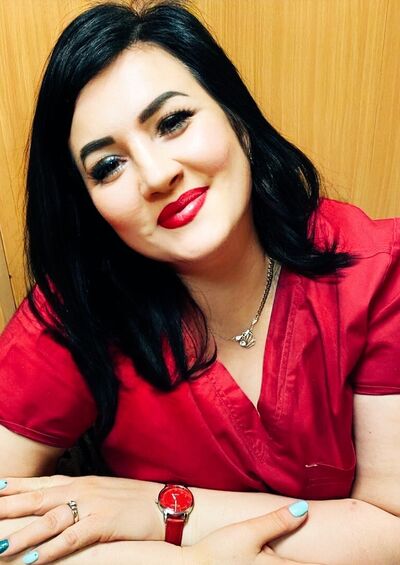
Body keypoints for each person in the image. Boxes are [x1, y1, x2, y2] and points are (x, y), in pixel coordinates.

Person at [0, 1, 399, 563]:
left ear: (235, 116)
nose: (157, 175)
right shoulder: (79, 305)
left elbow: (391, 527)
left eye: (172, 122)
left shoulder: (375, 268)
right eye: (108, 166)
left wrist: (159, 509)